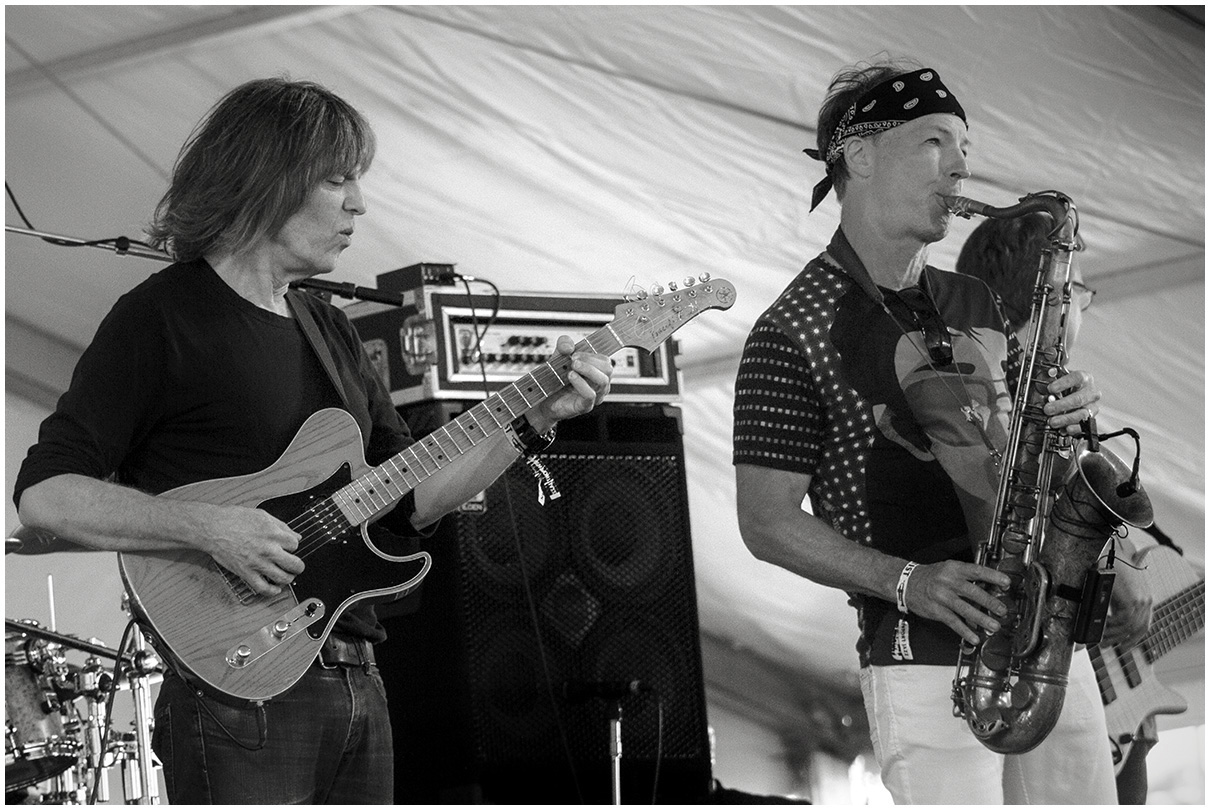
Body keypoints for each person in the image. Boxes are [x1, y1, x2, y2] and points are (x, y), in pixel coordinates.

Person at [12, 78, 613, 804]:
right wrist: (209, 528)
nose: (358, 203)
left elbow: (410, 500)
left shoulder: (329, 329)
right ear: (267, 180)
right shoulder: (160, 320)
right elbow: (45, 497)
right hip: (237, 687)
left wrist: (535, 418)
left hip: (355, 669)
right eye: (337, 180)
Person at [732, 58, 1117, 804]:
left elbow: (1018, 451)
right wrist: (908, 582)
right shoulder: (791, 329)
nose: (960, 168)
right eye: (936, 142)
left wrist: (1068, 425)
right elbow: (765, 523)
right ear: (861, 154)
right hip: (922, 661)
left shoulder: (972, 295)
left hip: (1045, 642)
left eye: (965, 150)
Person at [956, 212, 1156, 802]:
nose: (1082, 311)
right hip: (1014, 652)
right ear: (1054, 297)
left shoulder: (1028, 382)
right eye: (1081, 294)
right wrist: (1117, 575)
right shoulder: (992, 382)